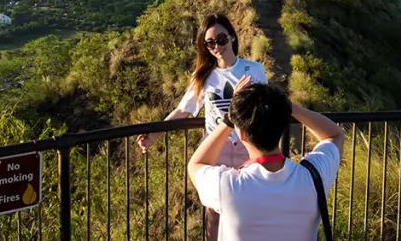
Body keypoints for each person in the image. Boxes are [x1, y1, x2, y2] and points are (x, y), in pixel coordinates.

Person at [136, 13, 268, 241]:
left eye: (221, 39)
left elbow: (267, 109)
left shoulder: (253, 70)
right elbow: (183, 111)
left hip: (250, 148)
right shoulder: (204, 77)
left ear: (232, 37)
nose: (217, 46)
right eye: (210, 43)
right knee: (214, 209)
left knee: (250, 207)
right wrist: (154, 134)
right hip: (217, 148)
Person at [187, 83, 345, 241]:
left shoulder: (227, 186)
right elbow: (335, 135)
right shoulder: (313, 176)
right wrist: (291, 107)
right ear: (283, 125)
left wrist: (229, 120)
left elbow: (196, 164)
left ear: (242, 135)